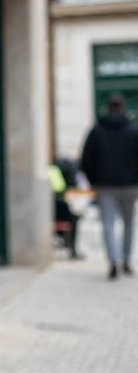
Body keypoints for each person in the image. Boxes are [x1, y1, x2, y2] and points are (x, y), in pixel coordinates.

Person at [80, 93, 138, 280]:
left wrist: (92, 181)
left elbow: (86, 159)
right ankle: (126, 259)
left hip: (104, 185)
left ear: (107, 108)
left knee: (108, 224)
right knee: (128, 224)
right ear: (122, 108)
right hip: (129, 185)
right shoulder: (133, 130)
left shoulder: (96, 131)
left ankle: (113, 260)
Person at [51, 157, 82, 260]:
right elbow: (62, 190)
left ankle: (66, 244)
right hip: (58, 208)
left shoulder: (52, 169)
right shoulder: (62, 172)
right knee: (74, 219)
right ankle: (72, 248)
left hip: (52, 209)